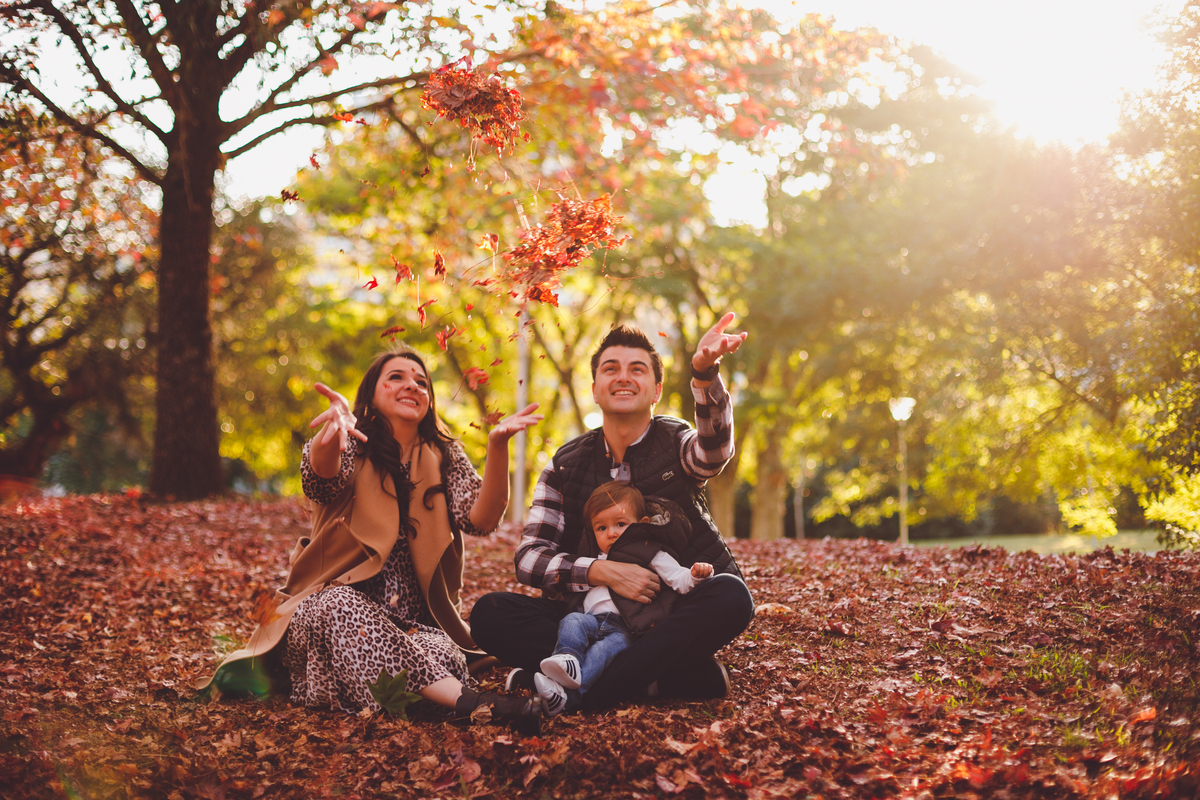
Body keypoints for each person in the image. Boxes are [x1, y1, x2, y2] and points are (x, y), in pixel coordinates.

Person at [200, 348, 546, 733]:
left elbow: (482, 520)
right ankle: (473, 704)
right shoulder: (350, 439)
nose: (412, 385)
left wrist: (498, 447)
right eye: (396, 377)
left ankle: (383, 690)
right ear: (372, 394)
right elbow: (319, 478)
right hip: (323, 611)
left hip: (412, 628)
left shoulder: (446, 455)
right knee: (340, 607)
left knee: (444, 655)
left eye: (421, 381)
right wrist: (332, 435)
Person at [470, 312, 756, 711]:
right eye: (611, 369)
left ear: (656, 390)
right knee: (490, 613)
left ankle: (581, 694)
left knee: (731, 596)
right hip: (591, 616)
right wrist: (602, 571)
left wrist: (704, 374)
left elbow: (714, 451)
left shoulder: (676, 443)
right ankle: (659, 678)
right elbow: (530, 559)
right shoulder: (565, 465)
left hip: (667, 615)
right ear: (594, 390)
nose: (623, 377)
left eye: (637, 369)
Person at [534, 481, 714, 716]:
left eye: (620, 524)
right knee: (571, 621)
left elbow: (677, 578)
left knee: (602, 653)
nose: (611, 533)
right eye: (601, 528)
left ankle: (570, 697)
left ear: (642, 523)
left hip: (623, 629)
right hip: (592, 620)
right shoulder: (593, 558)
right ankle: (567, 659)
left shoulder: (650, 552)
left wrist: (694, 575)